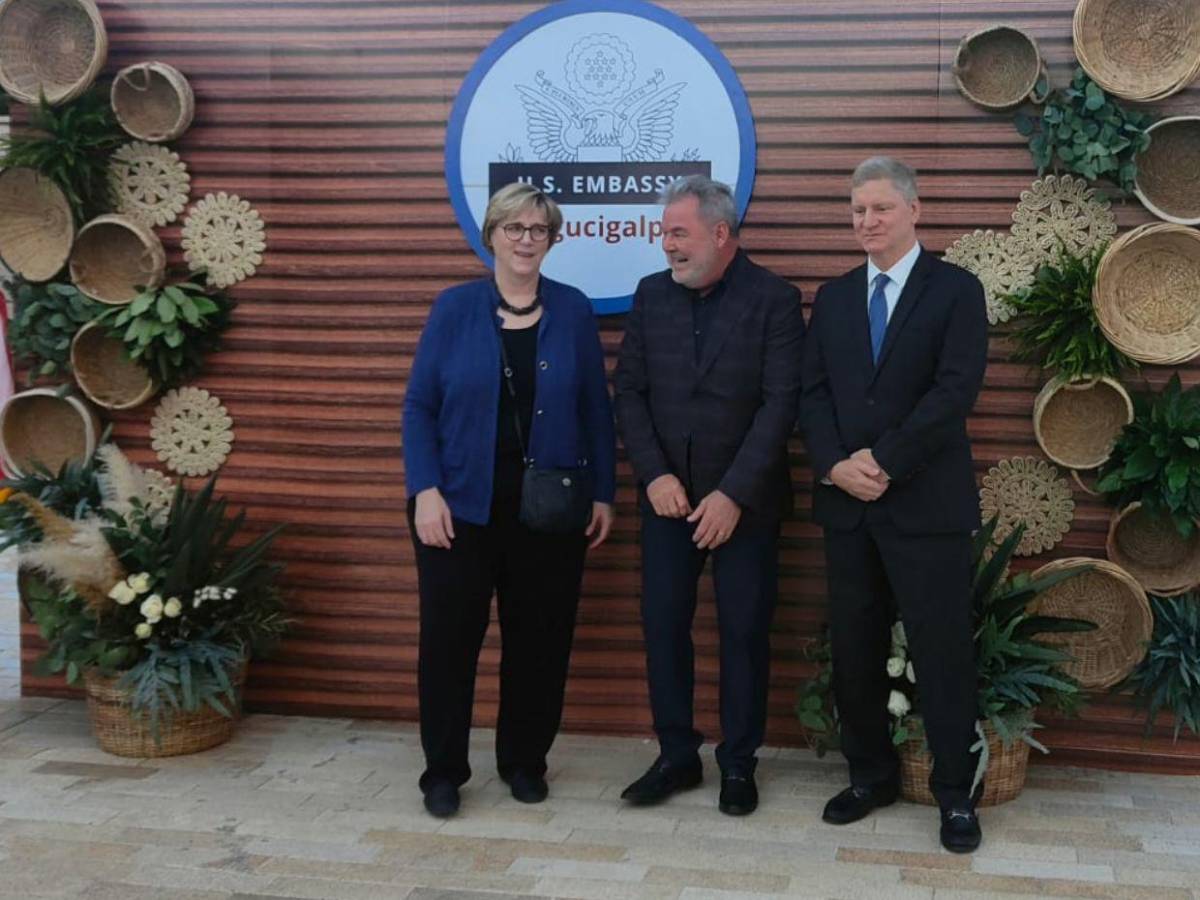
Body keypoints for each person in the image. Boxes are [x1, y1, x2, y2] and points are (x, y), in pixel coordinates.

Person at [402, 182, 616, 818]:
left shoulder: (573, 311)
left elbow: (595, 412)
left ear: (552, 240)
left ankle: (525, 762)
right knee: (448, 646)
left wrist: (603, 492)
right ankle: (443, 772)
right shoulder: (453, 308)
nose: (526, 240)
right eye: (514, 228)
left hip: (549, 512)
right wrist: (424, 489)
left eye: (539, 230)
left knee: (540, 643)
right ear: (490, 233)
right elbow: (419, 406)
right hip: (459, 510)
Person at [799, 156, 988, 853]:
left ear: (913, 210)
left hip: (926, 507)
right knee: (855, 651)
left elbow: (954, 391)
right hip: (849, 507)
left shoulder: (956, 291)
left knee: (941, 655)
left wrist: (883, 459)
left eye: (879, 208)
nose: (867, 222)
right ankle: (870, 776)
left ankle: (955, 797)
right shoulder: (836, 295)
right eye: (857, 211)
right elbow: (811, 393)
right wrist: (834, 465)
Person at [612, 175, 804, 816]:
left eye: (677, 232)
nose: (665, 245)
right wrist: (656, 475)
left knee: (743, 631)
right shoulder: (649, 297)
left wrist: (733, 494)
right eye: (665, 232)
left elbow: (782, 405)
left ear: (720, 234)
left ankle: (739, 764)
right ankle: (676, 756)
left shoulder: (775, 299)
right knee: (662, 625)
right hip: (666, 499)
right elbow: (630, 393)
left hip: (744, 504)